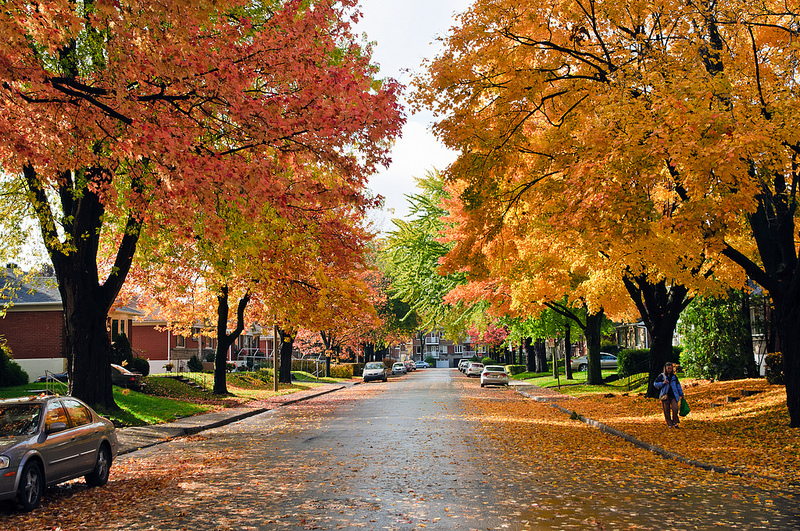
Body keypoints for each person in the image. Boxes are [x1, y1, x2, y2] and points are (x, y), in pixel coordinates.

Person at [653, 362, 685, 428]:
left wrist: (681, 394)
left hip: (673, 395)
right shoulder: (662, 376)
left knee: (675, 408)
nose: (669, 370)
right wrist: (662, 383)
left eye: (670, 368)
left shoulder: (674, 377)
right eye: (668, 368)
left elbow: (678, 385)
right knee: (666, 410)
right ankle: (669, 424)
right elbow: (655, 384)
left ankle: (675, 422)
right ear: (665, 368)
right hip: (665, 396)